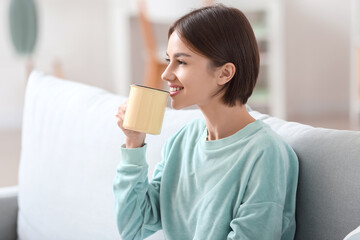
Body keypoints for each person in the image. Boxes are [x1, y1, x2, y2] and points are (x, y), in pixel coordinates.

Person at [114, 4, 298, 240]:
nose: (165, 74)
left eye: (181, 62)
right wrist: (133, 143)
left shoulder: (265, 154)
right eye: (168, 60)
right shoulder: (182, 141)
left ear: (224, 73)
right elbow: (133, 227)